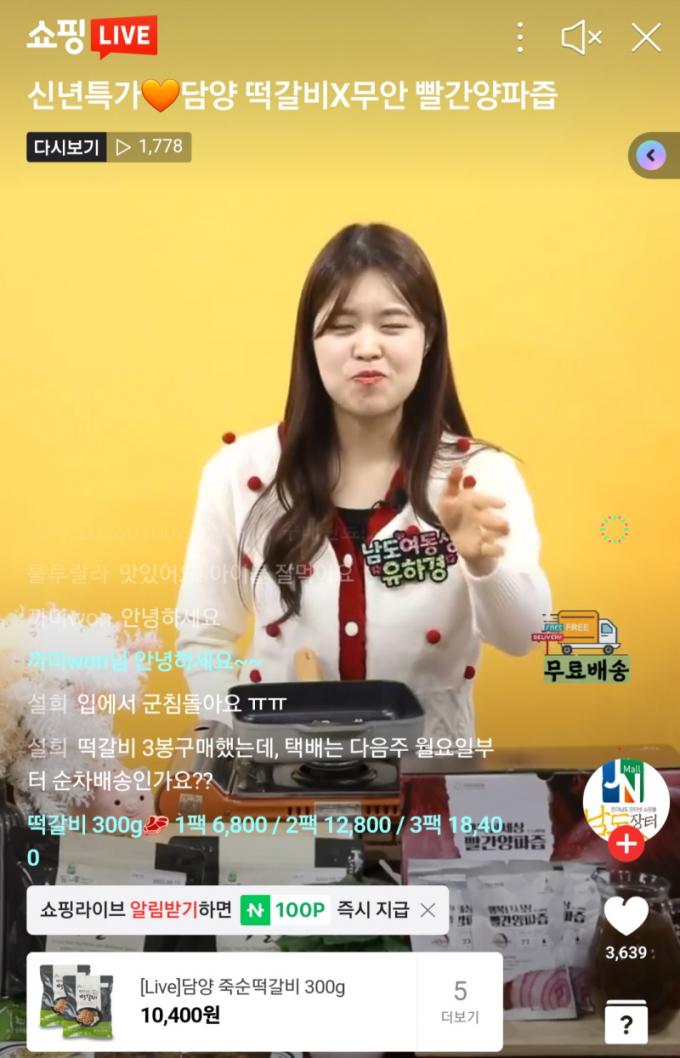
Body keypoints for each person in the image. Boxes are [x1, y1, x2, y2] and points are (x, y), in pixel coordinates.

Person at [175, 223, 551, 739]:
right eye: (341, 326)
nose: (367, 348)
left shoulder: (479, 475)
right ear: (310, 342)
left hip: (428, 775)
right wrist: (224, 737)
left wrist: (483, 564)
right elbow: (205, 634)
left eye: (393, 325)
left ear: (428, 338)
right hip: (279, 773)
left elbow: (526, 636)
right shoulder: (239, 472)